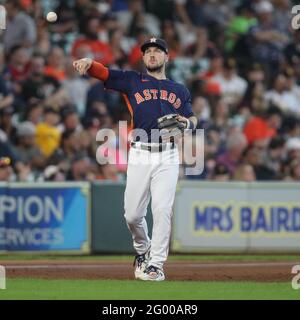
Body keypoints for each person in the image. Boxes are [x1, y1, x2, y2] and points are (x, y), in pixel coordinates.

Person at [73, 37, 197, 281]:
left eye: (157, 51)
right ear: (143, 57)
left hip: (168, 154)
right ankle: (143, 249)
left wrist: (188, 124)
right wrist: (90, 62)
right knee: (132, 215)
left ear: (167, 57)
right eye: (148, 51)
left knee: (162, 210)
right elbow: (105, 74)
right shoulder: (133, 80)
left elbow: (192, 118)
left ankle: (156, 265)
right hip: (140, 152)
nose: (152, 54)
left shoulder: (179, 90)